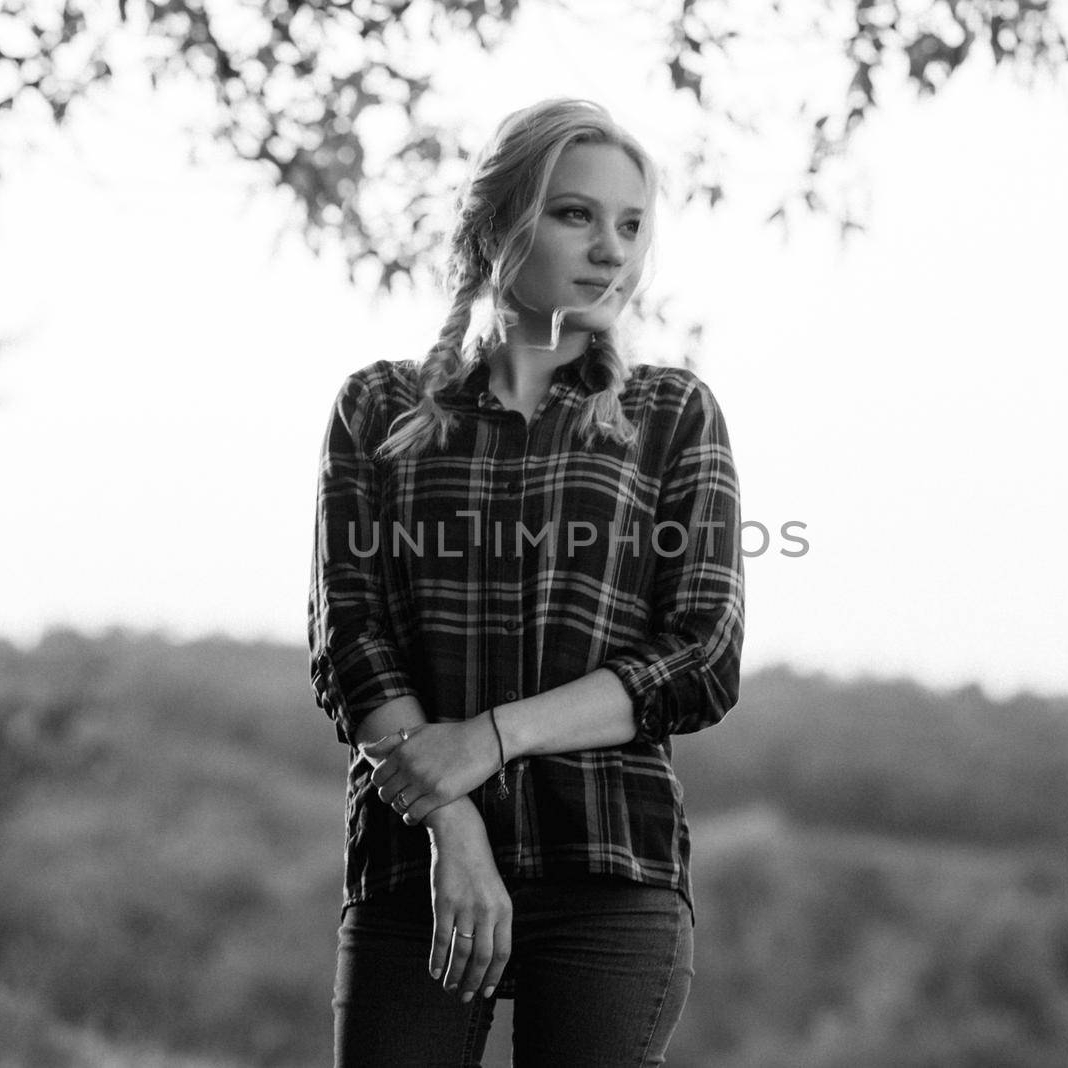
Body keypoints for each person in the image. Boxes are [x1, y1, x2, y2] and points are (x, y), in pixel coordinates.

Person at [307, 96, 745, 1067]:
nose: (611, 252)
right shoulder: (378, 407)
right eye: (575, 214)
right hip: (412, 869)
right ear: (495, 226)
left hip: (607, 868)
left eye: (632, 226)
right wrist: (450, 821)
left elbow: (700, 658)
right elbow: (351, 637)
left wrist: (492, 740)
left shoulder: (670, 415)